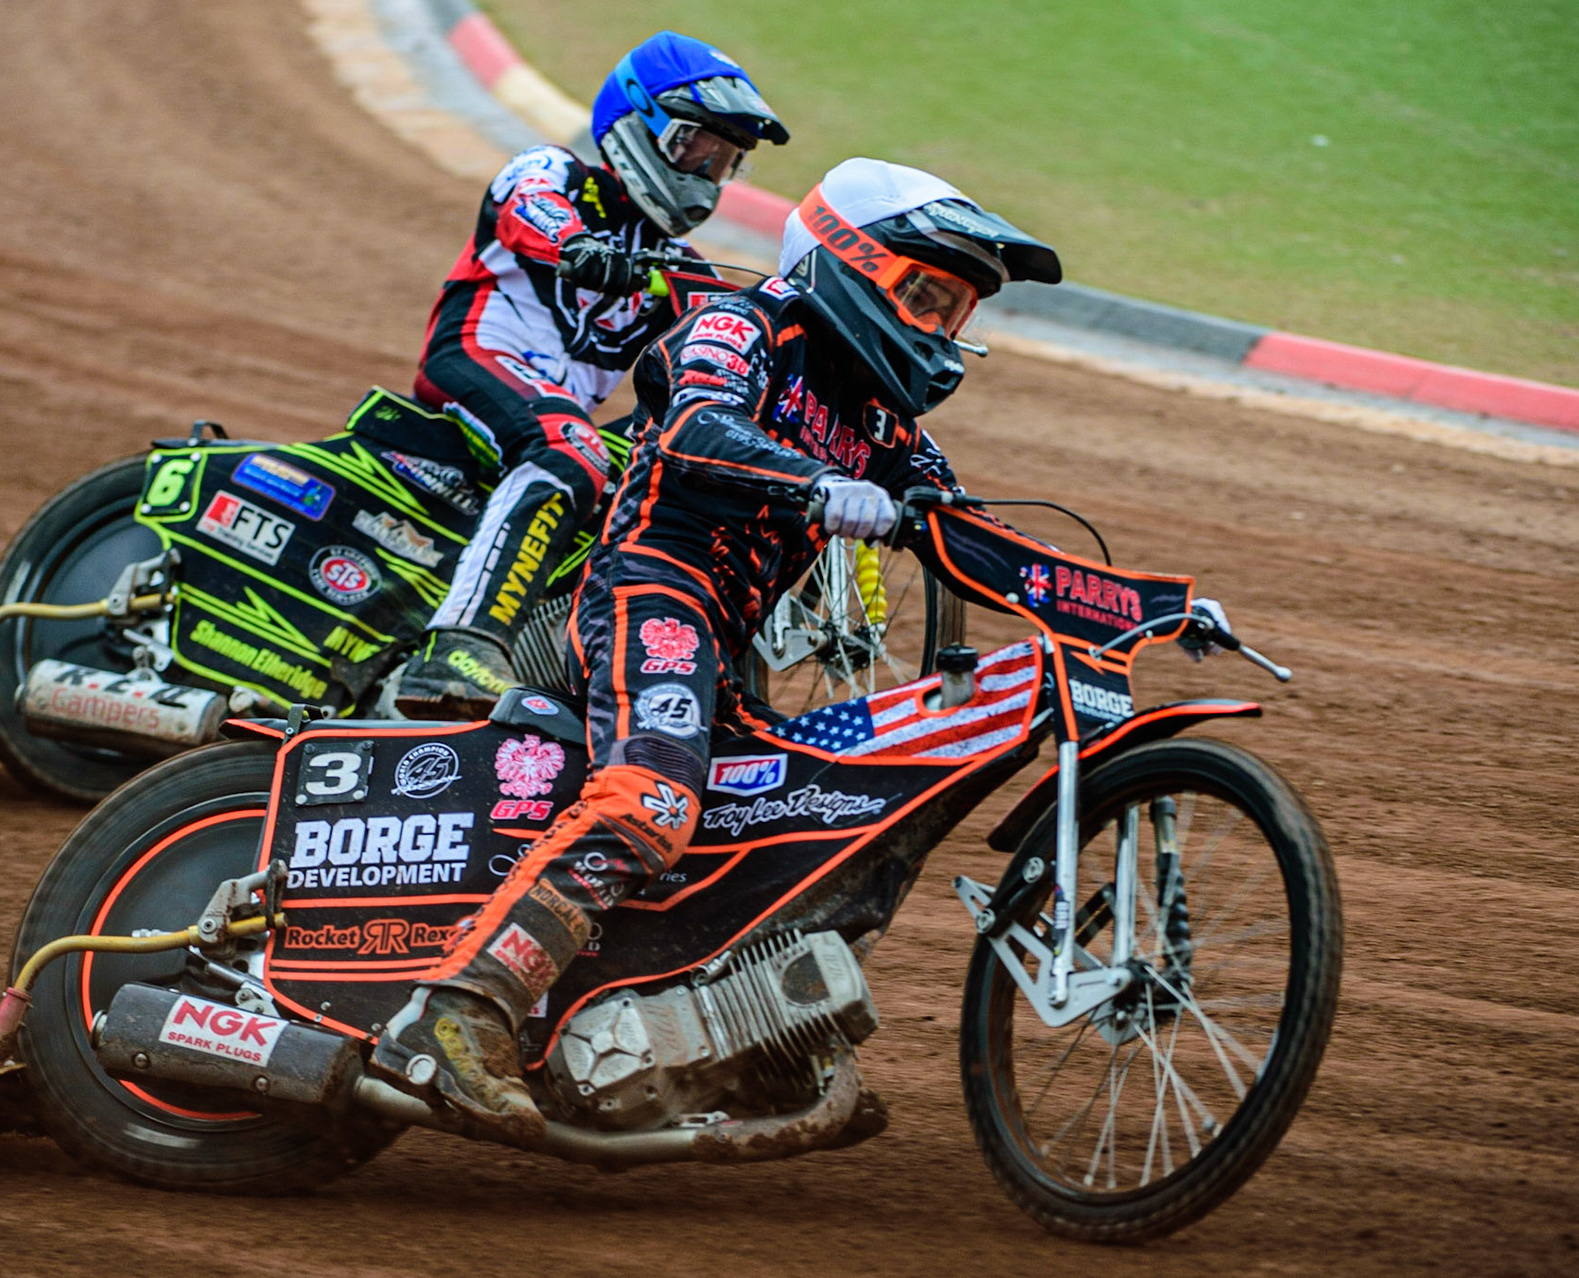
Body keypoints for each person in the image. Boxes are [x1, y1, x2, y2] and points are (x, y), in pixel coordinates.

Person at [369, 157, 1090, 1144]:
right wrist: (812, 483)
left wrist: (1132, 606)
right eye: (924, 296)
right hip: (650, 590)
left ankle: (721, 1039)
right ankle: (459, 1011)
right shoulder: (743, 328)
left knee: (798, 816)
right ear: (852, 263)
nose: (937, 329)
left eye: (955, 312)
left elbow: (969, 535)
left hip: (724, 646)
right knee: (653, 800)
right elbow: (696, 424)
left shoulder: (884, 423)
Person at [392, 31, 789, 720]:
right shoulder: (553, 174)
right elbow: (530, 211)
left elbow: (734, 334)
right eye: (698, 147)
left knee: (663, 476)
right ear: (639, 124)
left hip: (559, 407)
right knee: (566, 447)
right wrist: (578, 248)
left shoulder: (679, 261)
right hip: (479, 355)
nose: (708, 174)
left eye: (726, 162)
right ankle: (455, 646)